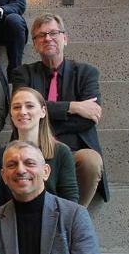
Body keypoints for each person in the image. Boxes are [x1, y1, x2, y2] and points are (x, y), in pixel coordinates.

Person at [11, 13, 107, 206]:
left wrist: (44, 116)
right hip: (33, 146)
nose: (47, 38)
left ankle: (73, 219)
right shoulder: (23, 74)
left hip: (75, 149)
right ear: (35, 43)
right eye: (41, 35)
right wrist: (73, 107)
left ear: (65, 38)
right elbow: (23, 111)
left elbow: (88, 119)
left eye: (53, 33)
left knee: (91, 161)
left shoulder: (87, 73)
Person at [0, 87, 78, 204]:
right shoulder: (1, 154)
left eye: (29, 106)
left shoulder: (61, 151)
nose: (22, 112)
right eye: (16, 107)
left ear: (43, 112)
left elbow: (70, 200)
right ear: (11, 115)